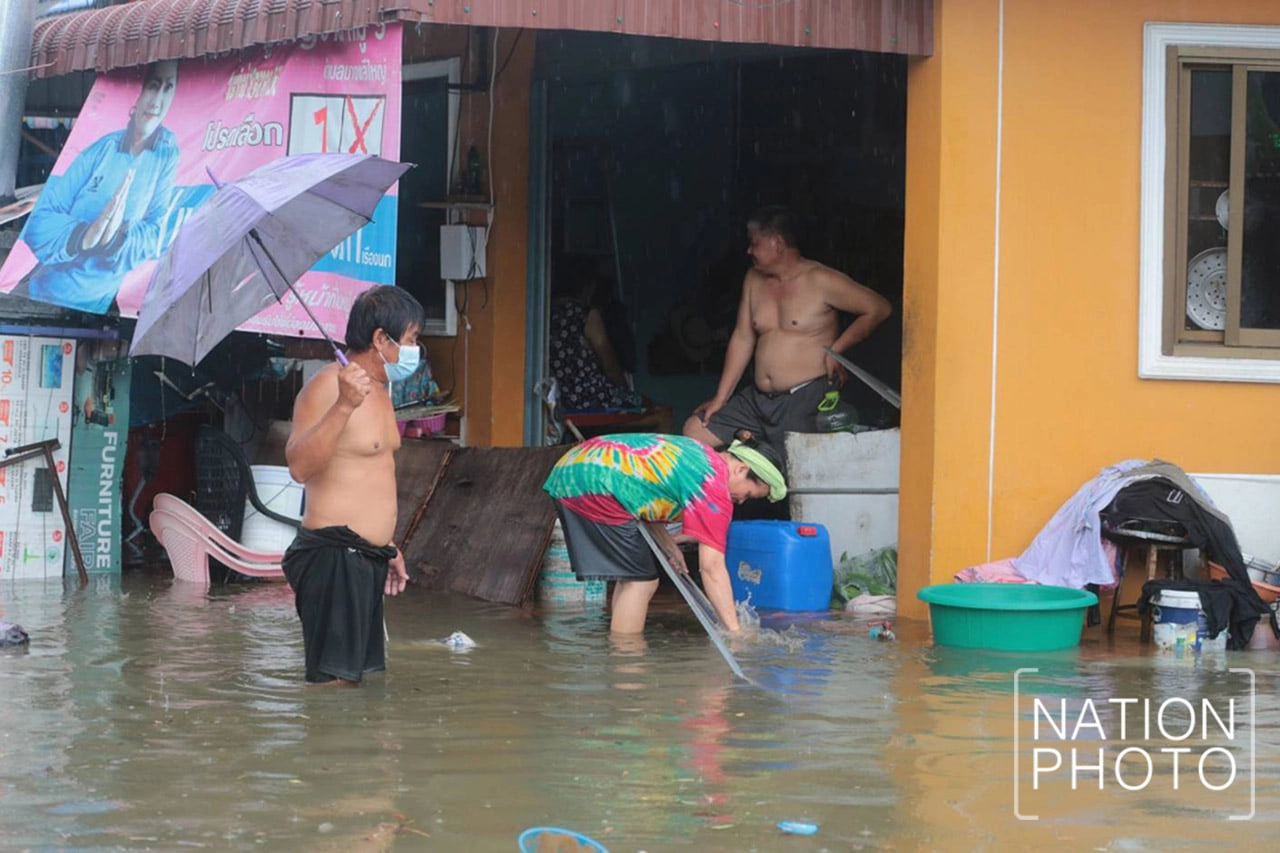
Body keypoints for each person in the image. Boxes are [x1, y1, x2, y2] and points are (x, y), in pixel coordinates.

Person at [283, 285, 424, 685]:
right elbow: (299, 467)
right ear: (382, 339)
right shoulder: (329, 386)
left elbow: (371, 475)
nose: (416, 349)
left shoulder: (379, 391)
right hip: (333, 556)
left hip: (366, 557)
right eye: (412, 339)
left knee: (360, 683)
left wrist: (386, 546)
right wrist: (343, 405)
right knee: (334, 687)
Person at [683, 206, 892, 455]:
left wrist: (836, 351)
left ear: (777, 242)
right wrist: (721, 397)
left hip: (804, 398)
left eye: (754, 243)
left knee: (795, 466)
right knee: (695, 431)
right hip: (757, 399)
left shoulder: (820, 279)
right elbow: (743, 337)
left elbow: (878, 308)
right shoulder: (753, 278)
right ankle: (726, 490)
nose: (748, 251)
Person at [543, 432, 787, 636]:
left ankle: (620, 651)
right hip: (593, 483)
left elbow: (646, 495)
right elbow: (712, 569)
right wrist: (735, 632)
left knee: (631, 577)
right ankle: (627, 665)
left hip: (577, 467)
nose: (742, 501)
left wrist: (668, 545)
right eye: (749, 494)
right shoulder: (713, 486)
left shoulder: (701, 455)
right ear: (741, 469)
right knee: (642, 581)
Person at [15, 61, 181, 314]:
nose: (157, 101)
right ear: (138, 92)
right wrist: (84, 236)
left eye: (168, 88)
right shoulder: (102, 148)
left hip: (97, 307)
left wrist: (116, 238)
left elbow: (156, 235)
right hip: (40, 296)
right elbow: (40, 220)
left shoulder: (167, 155)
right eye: (152, 86)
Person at [548, 258, 645, 413]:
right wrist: (626, 392)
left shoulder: (544, 315)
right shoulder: (586, 315)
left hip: (558, 400)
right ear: (587, 285)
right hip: (590, 399)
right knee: (653, 409)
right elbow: (609, 364)